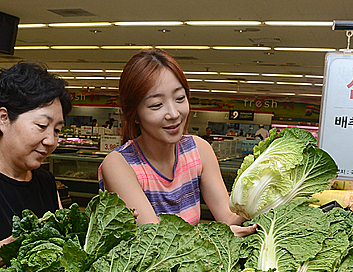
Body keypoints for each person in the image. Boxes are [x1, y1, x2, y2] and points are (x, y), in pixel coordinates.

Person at [99, 48, 255, 236]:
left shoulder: (199, 150)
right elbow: (156, 242)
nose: (174, 114)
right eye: (157, 105)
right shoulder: (119, 165)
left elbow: (228, 218)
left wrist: (263, 196)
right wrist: (215, 238)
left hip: (197, 262)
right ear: (135, 115)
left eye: (180, 98)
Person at [0, 61, 72, 249]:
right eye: (41, 126)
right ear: (3, 119)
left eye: (57, 130)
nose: (50, 141)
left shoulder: (46, 182)